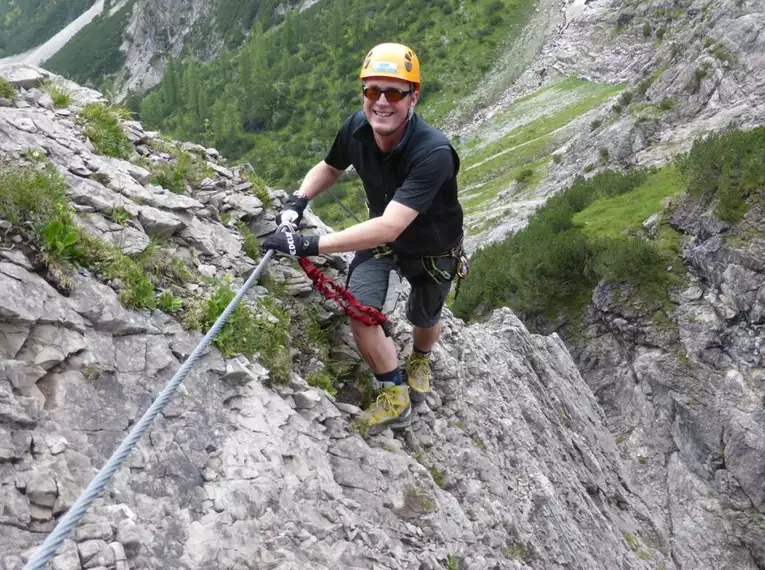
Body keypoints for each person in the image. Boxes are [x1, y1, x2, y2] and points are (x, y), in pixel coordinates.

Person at [263, 42, 464, 435]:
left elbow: (391, 225)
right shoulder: (356, 128)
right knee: (360, 311)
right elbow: (329, 167)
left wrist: (306, 245)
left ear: (414, 96)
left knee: (424, 317)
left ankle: (420, 357)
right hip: (382, 239)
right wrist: (298, 200)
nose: (382, 102)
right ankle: (394, 392)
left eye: (394, 93)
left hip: (431, 249)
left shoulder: (433, 152)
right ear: (363, 94)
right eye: (373, 91)